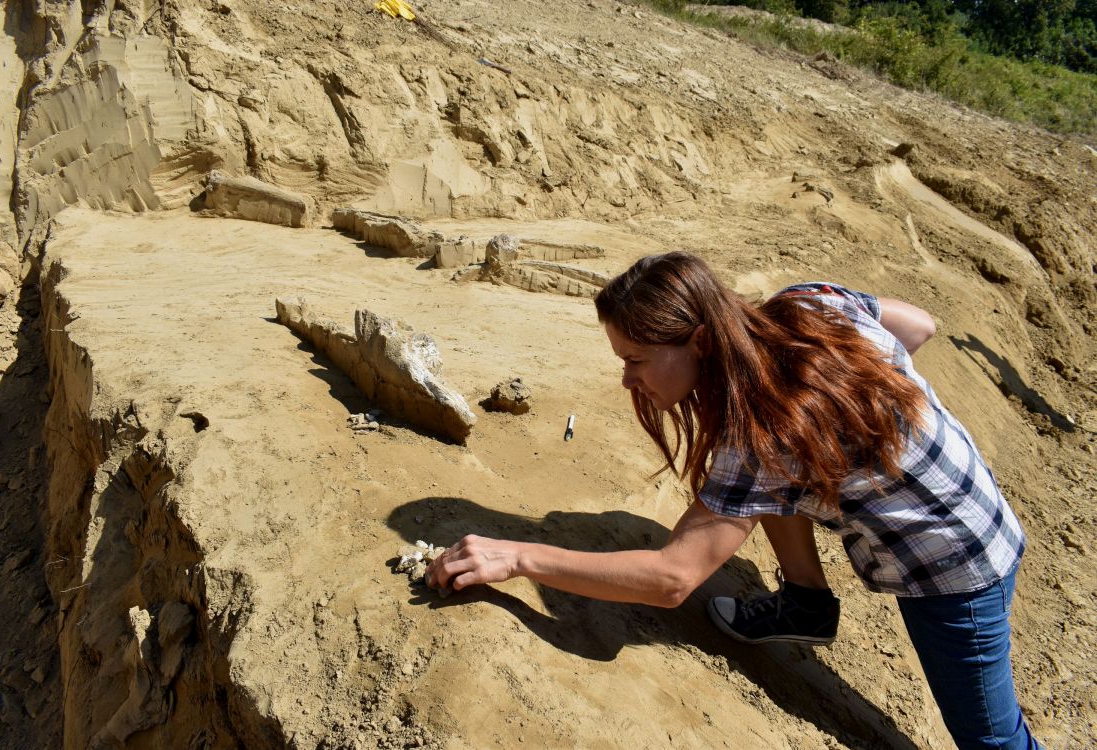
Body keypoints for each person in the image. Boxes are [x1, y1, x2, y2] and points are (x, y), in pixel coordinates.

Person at [427, 251, 1041, 750]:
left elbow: (671, 579)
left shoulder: (759, 441)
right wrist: (864, 413)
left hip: (953, 569)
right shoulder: (809, 303)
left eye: (636, 360)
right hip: (978, 501)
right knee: (781, 476)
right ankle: (804, 605)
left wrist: (519, 557)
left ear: (696, 340)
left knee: (992, 737)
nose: (626, 379)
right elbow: (918, 327)